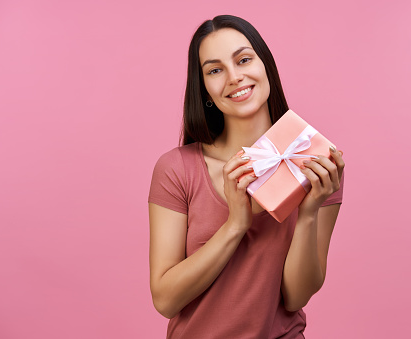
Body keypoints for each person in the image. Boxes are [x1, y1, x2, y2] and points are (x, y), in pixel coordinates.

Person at [148, 15, 345, 338]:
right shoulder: (176, 169)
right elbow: (166, 300)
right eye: (215, 70)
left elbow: (295, 296)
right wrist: (236, 224)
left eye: (243, 60)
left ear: (265, 66)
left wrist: (308, 212)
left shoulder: (313, 161)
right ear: (205, 91)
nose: (234, 77)